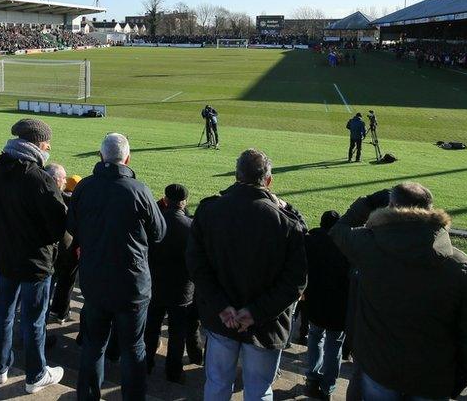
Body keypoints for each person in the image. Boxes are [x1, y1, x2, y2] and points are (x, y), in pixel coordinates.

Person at [329, 182, 467, 400]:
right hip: (432, 376)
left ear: (390, 207)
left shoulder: (367, 246)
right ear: (430, 210)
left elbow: (339, 229)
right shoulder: (460, 265)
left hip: (379, 368)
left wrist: (368, 202)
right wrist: (459, 377)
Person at [186, 148, 307, 401]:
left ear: (237, 176)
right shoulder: (286, 222)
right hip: (265, 323)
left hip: (223, 320)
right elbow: (295, 281)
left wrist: (222, 307)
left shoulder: (209, 210)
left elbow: (197, 266)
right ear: (269, 180)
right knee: (259, 390)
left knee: (218, 384)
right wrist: (254, 312)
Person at [68, 132, 166, 400]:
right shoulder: (139, 190)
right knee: (133, 348)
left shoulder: (84, 188)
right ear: (128, 158)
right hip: (131, 285)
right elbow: (159, 232)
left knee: (93, 345)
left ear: (101, 157)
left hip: (95, 280)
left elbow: (72, 226)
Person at [0, 118, 67, 393]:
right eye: (46, 141)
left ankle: (0, 367)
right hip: (35, 262)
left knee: (4, 315)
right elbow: (59, 224)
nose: (49, 146)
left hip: (7, 256)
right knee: (34, 320)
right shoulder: (38, 177)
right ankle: (35, 375)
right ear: (36, 142)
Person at [144, 183, 194, 384]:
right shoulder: (191, 227)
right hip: (182, 289)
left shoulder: (154, 222)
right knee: (177, 333)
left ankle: (146, 364)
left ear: (165, 200)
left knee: (151, 327)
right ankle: (173, 371)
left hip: (155, 284)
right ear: (185, 203)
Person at [302, 210, 349, 400]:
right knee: (334, 345)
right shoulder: (347, 245)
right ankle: (328, 386)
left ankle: (312, 377)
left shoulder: (311, 240)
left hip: (315, 301)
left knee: (315, 338)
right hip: (339, 306)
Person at [48, 167, 80, 323]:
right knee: (67, 282)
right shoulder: (74, 203)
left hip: (52, 248)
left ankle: (50, 310)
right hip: (69, 249)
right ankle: (62, 312)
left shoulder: (57, 195)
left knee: (52, 279)